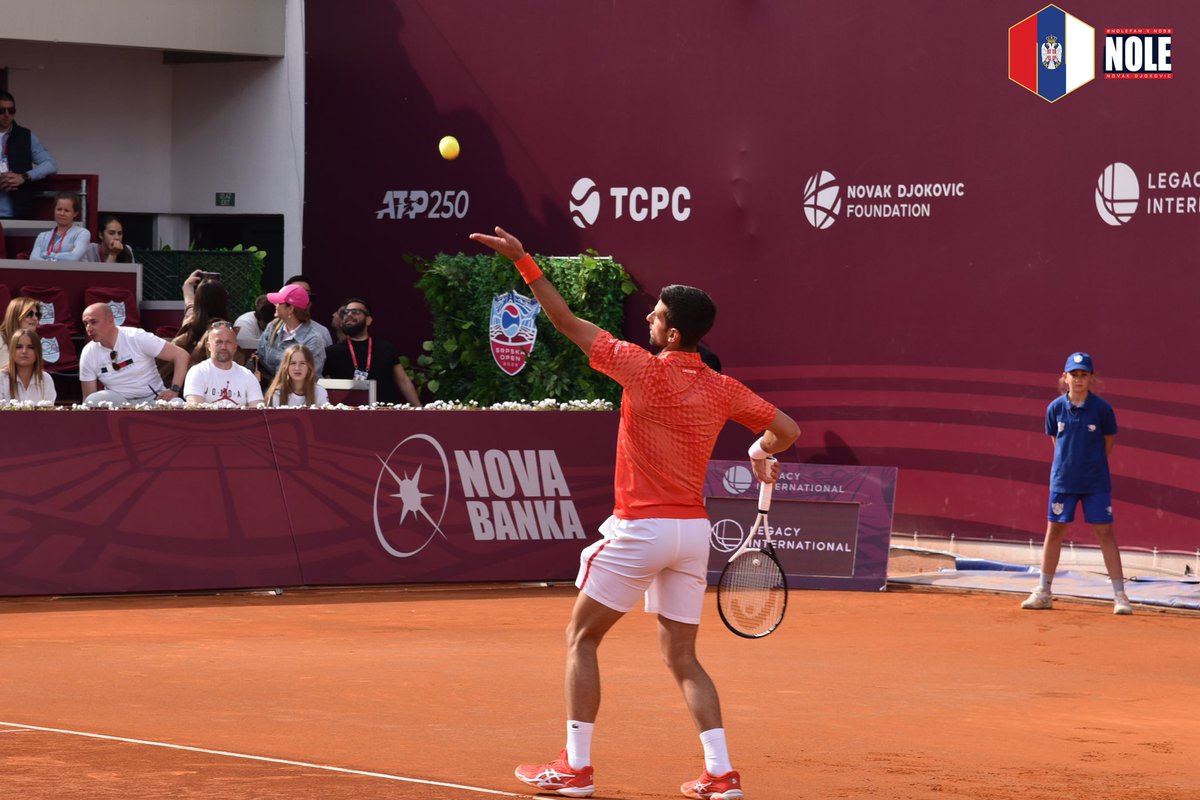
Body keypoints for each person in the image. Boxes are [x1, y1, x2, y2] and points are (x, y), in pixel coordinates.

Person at [471, 226, 800, 800]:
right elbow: (787, 430)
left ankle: (575, 767)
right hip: (692, 535)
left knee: (581, 638)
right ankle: (720, 774)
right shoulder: (723, 388)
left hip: (642, 528)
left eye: (655, 315)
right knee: (682, 657)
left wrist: (524, 261)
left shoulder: (639, 368)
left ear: (673, 333)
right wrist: (757, 450)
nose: (647, 319)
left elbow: (567, 322)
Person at [1021, 352, 1132, 616]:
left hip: (1096, 483)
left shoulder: (1102, 409)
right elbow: (1056, 443)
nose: (1079, 380)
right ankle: (1044, 591)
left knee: (1105, 533)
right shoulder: (1055, 408)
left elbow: (1109, 441)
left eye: (1084, 375)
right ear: (1065, 377)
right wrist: (1069, 468)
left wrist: (1091, 466)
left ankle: (1120, 595)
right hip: (1063, 482)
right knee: (1055, 531)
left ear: (1092, 378)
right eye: (1074, 375)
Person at [79, 302, 189, 406]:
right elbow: (88, 397)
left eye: (94, 322)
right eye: (85, 324)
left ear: (110, 320)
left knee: (178, 404)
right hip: (118, 401)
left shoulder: (136, 337)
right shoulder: (88, 353)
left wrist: (175, 389)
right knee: (91, 401)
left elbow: (181, 355)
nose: (89, 328)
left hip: (153, 398)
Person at [323, 297, 421, 406]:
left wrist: (419, 409)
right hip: (348, 416)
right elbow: (320, 385)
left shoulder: (385, 348)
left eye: (355, 312)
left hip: (384, 414)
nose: (349, 315)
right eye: (345, 312)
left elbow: (403, 381)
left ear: (368, 320)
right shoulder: (331, 352)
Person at [0, 91, 59, 219]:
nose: (6, 115)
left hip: (17, 213)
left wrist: (25, 176)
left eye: (11, 110)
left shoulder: (25, 136)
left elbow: (51, 164)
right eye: (1, 110)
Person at [182, 321, 264, 408]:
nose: (223, 347)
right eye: (219, 342)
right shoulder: (197, 372)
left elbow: (258, 411)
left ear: (235, 347)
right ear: (209, 346)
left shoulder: (247, 376)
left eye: (228, 342)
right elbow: (195, 410)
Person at [257, 283, 326, 383]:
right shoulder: (272, 327)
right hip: (269, 392)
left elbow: (309, 377)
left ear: (290, 309)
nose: (275, 305)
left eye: (279, 302)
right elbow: (260, 359)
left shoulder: (313, 339)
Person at [29, 192, 90, 261]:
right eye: (59, 209)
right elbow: (33, 259)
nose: (62, 213)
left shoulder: (82, 233)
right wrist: (65, 256)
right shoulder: (42, 236)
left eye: (67, 210)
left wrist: (47, 255)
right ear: (54, 210)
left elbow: (74, 257)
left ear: (75, 213)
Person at [1, 329, 56, 403]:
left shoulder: (46, 379)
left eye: (31, 347)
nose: (24, 351)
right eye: (18, 347)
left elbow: (49, 412)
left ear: (37, 352)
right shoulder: (1, 378)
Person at [282, 275, 335, 347]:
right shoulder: (273, 329)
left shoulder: (322, 332)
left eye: (307, 294)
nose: (303, 298)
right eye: (297, 294)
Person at [0, 296, 43, 368]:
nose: (35, 318)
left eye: (37, 315)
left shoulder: (33, 342)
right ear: (16, 315)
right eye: (29, 314)